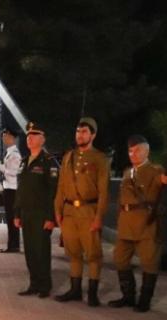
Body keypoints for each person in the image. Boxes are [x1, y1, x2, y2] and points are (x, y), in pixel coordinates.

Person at [109, 135, 167, 312]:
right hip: (126, 222)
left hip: (146, 223)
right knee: (120, 259)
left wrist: (166, 180)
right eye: (130, 150)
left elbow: (165, 180)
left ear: (147, 151)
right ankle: (128, 296)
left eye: (137, 150)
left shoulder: (155, 170)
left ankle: (144, 300)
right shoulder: (127, 172)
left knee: (149, 262)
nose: (133, 154)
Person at [54, 116, 110, 306]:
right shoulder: (68, 157)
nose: (80, 135)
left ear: (93, 135)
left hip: (89, 212)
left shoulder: (99, 158)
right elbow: (61, 186)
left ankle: (93, 294)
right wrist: (57, 210)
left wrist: (99, 216)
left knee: (93, 255)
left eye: (85, 132)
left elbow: (103, 191)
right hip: (69, 213)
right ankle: (75, 290)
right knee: (74, 253)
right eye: (78, 131)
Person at [13, 122, 58, 298]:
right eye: (28, 136)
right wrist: (17, 213)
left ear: (42, 139)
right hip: (26, 213)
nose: (29, 139)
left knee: (42, 251)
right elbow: (20, 189)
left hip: (41, 214)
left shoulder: (48, 162)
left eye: (33, 135)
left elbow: (52, 191)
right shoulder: (24, 162)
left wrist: (50, 217)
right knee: (30, 251)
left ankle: (45, 286)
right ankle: (34, 283)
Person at [0, 127, 23, 252]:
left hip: (12, 190)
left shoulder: (14, 154)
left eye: (6, 136)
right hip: (8, 188)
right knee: (10, 218)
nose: (4, 138)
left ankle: (14, 245)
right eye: (3, 136)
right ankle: (12, 244)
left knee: (12, 218)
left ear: (12, 138)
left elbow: (15, 172)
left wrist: (2, 168)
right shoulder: (9, 152)